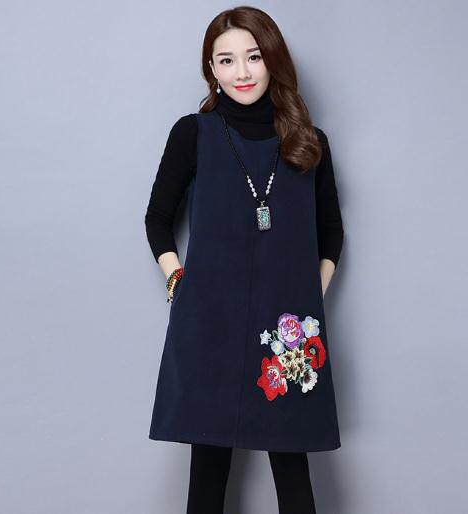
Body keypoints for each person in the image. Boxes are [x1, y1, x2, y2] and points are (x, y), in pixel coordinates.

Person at [144, 6, 345, 514]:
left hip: (286, 334)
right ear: (211, 69)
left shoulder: (310, 142)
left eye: (253, 57)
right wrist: (179, 283)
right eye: (226, 60)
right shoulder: (193, 134)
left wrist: (309, 298)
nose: (242, 72)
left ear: (272, 60)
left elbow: (332, 235)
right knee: (207, 473)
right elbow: (157, 219)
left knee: (293, 474)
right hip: (210, 323)